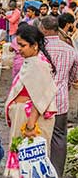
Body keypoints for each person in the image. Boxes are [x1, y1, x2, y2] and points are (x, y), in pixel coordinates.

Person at [5, 25, 57, 153]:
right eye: (18, 45)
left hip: (30, 119)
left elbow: (40, 98)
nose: (19, 49)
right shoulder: (32, 61)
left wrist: (30, 126)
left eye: (23, 45)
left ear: (34, 45)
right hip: (23, 116)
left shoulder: (38, 64)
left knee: (28, 162)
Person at [39, 16, 78, 177]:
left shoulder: (38, 48)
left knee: (39, 136)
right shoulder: (70, 49)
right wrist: (64, 84)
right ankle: (57, 173)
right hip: (61, 100)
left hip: (39, 101)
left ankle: (40, 170)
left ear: (44, 29)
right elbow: (74, 74)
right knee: (59, 137)